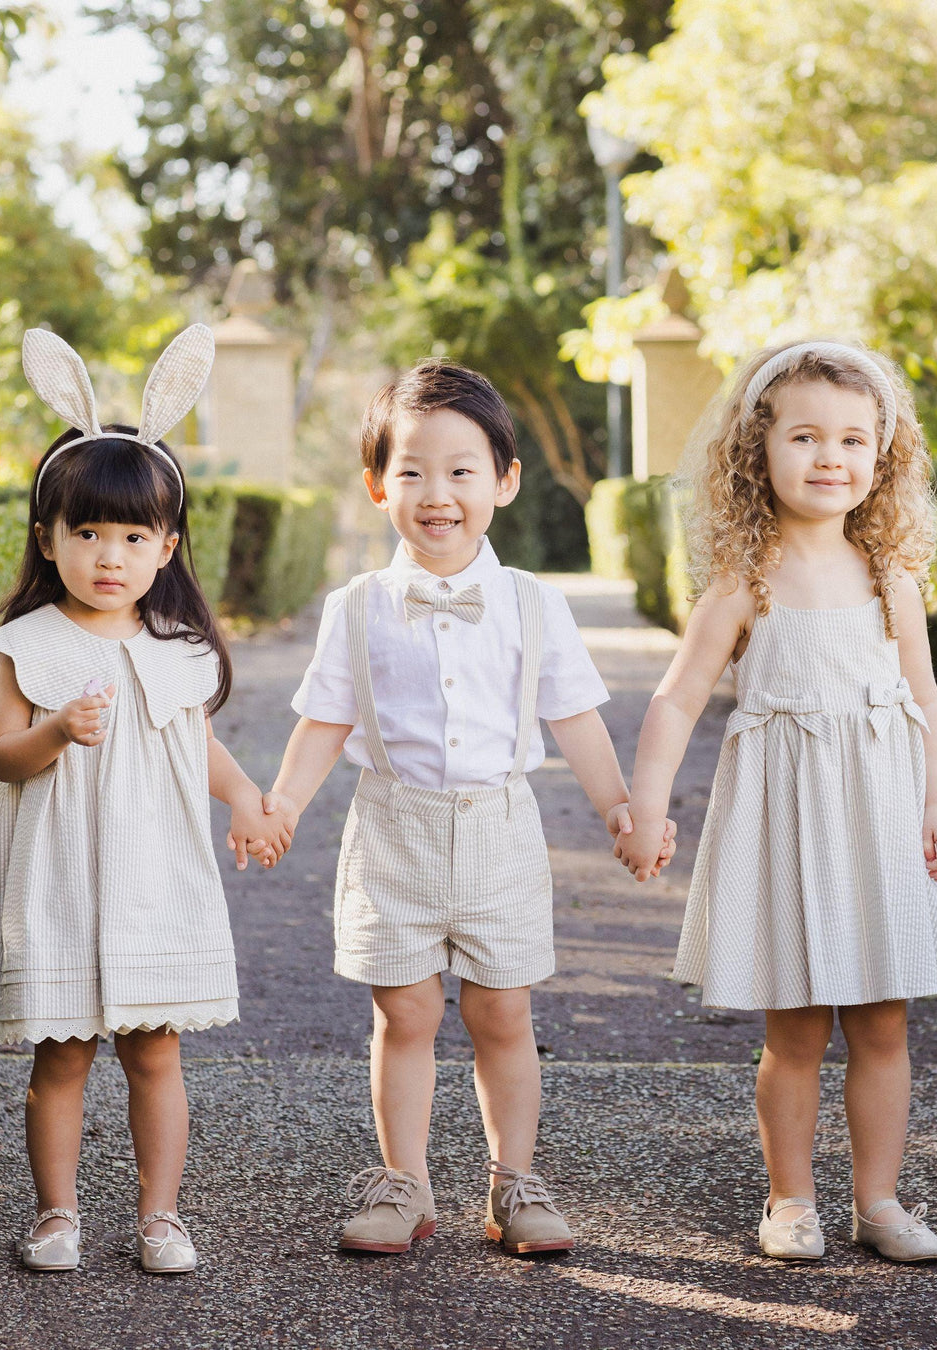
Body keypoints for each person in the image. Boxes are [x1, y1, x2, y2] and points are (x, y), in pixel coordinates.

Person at [264, 360, 675, 1255]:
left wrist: (620, 812)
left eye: (461, 470)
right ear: (378, 486)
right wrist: (283, 803)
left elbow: (575, 718)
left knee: (503, 1014)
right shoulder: (358, 607)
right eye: (411, 471)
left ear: (504, 480)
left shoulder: (534, 604)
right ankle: (404, 1182)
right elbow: (323, 719)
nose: (436, 492)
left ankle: (513, 1180)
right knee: (404, 1014)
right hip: (391, 829)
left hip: (498, 828)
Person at [615, 340, 937, 1263]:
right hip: (786, 826)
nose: (832, 457)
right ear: (759, 449)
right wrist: (649, 807)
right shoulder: (745, 582)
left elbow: (925, 704)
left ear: (883, 456)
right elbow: (677, 697)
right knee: (795, 1029)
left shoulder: (890, 576)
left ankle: (881, 1201)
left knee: (884, 1021)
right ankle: (790, 1200)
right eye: (807, 436)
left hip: (879, 821)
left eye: (856, 440)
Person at [0, 326, 289, 1274]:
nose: (111, 555)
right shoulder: (26, 645)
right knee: (61, 1056)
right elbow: (1, 760)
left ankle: (160, 1216)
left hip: (153, 878)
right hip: (60, 882)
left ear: (167, 546)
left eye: (134, 537)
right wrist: (55, 731)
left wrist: (247, 802)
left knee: (156, 1053)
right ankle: (56, 1214)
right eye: (89, 533)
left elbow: (201, 748)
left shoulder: (178, 648)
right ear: (49, 537)